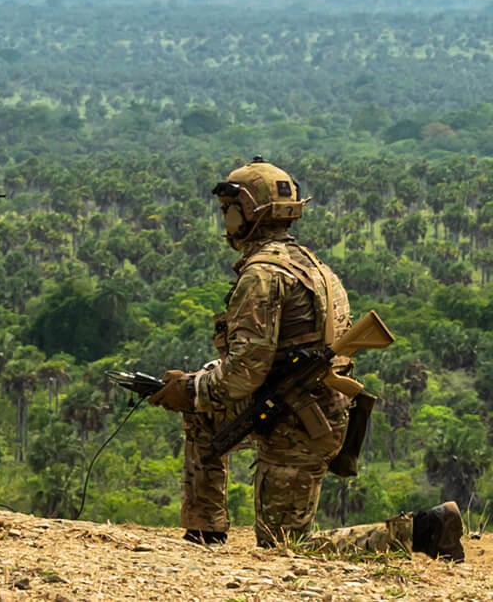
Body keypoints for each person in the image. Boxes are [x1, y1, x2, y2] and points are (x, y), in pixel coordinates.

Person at [146, 157, 464, 561]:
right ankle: (205, 533)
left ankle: (424, 529)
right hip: (300, 409)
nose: (223, 218)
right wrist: (195, 388)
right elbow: (268, 363)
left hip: (298, 423)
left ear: (248, 212)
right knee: (203, 412)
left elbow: (242, 375)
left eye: (227, 209)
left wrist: (189, 388)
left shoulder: (262, 274)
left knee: (284, 547)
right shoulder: (311, 265)